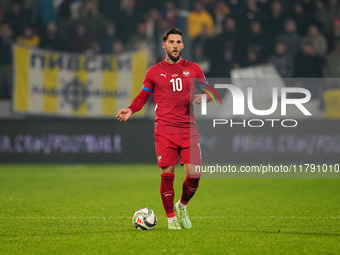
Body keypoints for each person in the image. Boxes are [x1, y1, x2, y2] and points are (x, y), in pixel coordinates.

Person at [116, 28, 212, 230]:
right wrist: (131, 109)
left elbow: (210, 92)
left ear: (183, 45)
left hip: (188, 129)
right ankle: (171, 219)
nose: (175, 46)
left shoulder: (194, 69)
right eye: (171, 42)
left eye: (178, 42)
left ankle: (182, 206)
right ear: (164, 45)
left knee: (194, 175)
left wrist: (204, 97)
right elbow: (143, 97)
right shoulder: (154, 72)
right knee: (167, 174)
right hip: (165, 130)